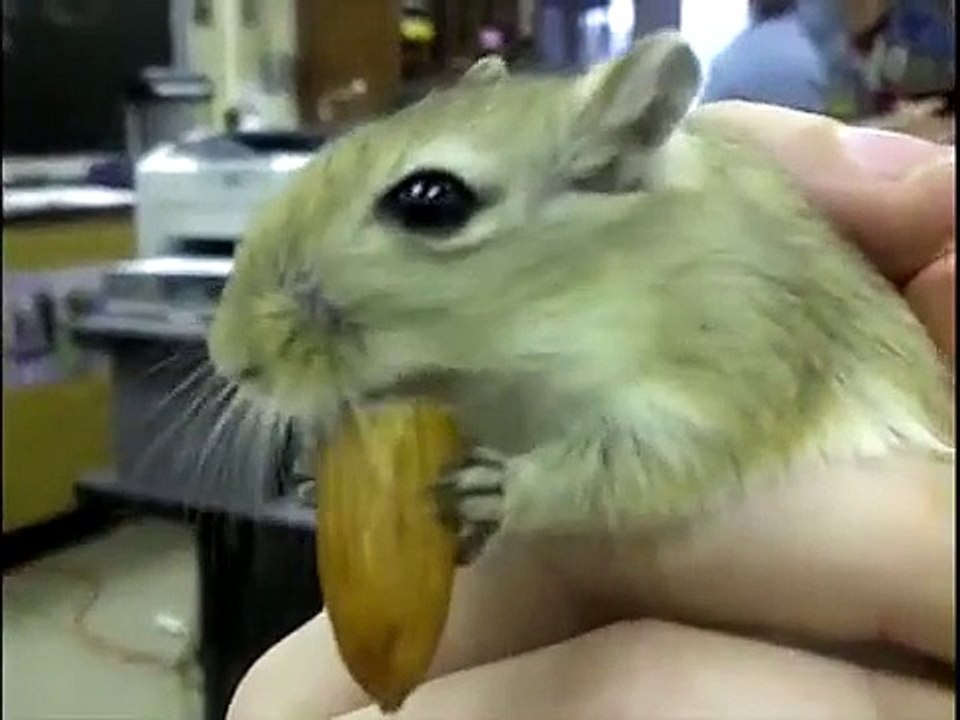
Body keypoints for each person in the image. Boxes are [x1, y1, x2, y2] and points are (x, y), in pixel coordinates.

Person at [227, 101, 955, 719]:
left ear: (621, 159)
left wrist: (526, 490)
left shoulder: (712, 274)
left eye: (432, 206)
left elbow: (698, 442)